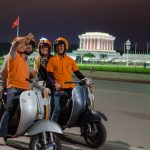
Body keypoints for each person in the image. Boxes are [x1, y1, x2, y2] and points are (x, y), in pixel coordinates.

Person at [0, 33, 36, 145]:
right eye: (21, 44)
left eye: (25, 45)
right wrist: (21, 40)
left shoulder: (25, 59)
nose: (23, 46)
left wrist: (31, 75)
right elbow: (15, 45)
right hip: (13, 88)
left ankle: (26, 133)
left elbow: (22, 74)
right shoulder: (12, 55)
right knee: (9, 110)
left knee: (30, 111)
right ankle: (1, 135)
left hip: (25, 89)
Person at [46, 37, 85, 122]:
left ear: (65, 46)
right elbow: (49, 75)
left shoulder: (71, 61)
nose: (59, 48)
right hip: (58, 89)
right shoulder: (52, 60)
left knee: (78, 107)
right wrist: (54, 83)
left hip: (70, 89)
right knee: (57, 109)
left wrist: (85, 79)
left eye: (61, 46)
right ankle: (52, 127)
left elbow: (77, 73)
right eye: (57, 46)